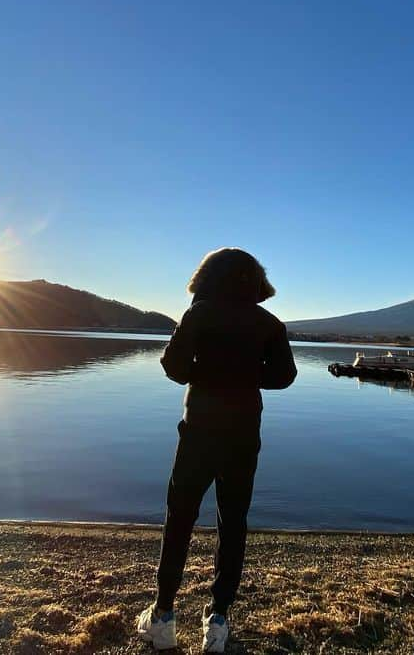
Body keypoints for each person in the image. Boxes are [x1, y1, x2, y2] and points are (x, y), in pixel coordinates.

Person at [136, 248, 297, 652]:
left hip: (199, 432)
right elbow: (285, 376)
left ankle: (163, 617)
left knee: (179, 519)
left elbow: (173, 367)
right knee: (233, 523)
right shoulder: (269, 323)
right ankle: (218, 623)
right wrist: (245, 375)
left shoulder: (198, 314)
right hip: (243, 436)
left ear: (208, 276)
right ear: (255, 280)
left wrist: (206, 372)